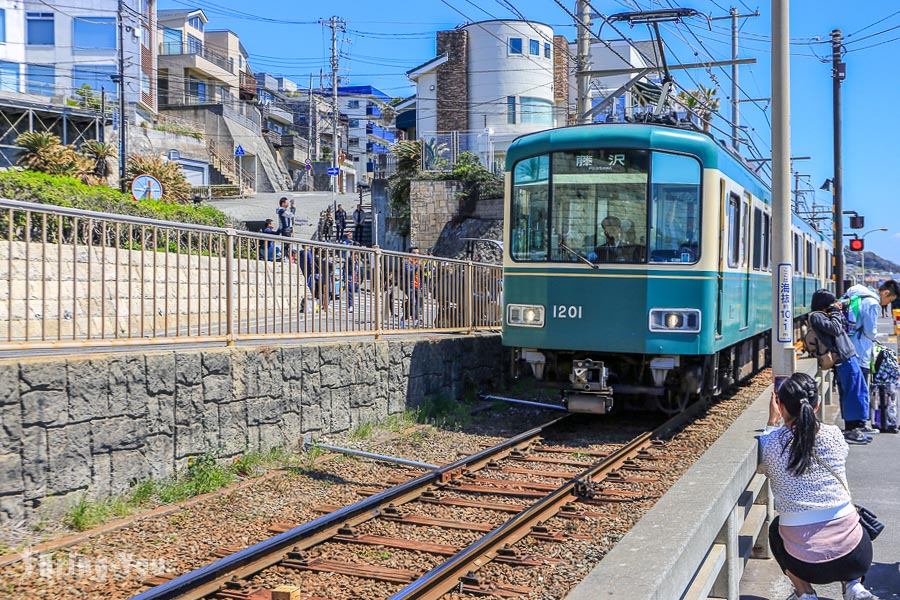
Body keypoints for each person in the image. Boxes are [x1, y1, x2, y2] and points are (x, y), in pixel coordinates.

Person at [759, 372, 875, 600]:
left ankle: (805, 592)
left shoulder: (772, 443)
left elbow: (764, 465)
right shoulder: (834, 435)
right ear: (817, 404)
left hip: (804, 563)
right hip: (857, 555)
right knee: (849, 516)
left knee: (775, 529)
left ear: (779, 406)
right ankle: (853, 585)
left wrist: (772, 422)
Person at [809, 289, 872, 444]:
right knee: (852, 393)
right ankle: (851, 430)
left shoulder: (825, 316)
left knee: (858, 391)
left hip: (848, 356)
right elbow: (836, 329)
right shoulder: (817, 316)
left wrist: (835, 312)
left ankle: (858, 426)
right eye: (830, 303)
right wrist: (836, 311)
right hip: (843, 359)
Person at [844, 280, 900, 382]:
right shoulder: (872, 303)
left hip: (846, 349)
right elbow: (870, 332)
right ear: (886, 293)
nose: (888, 303)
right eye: (890, 300)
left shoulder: (860, 296)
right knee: (859, 393)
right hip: (859, 353)